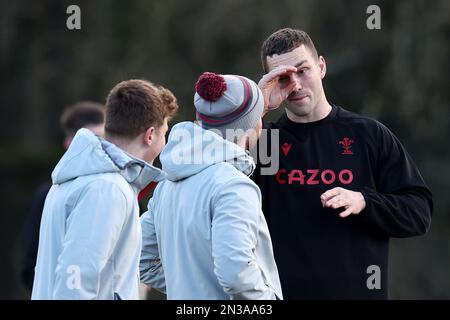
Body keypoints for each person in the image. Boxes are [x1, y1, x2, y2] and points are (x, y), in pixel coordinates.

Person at [253, 28, 433, 299]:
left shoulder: (368, 135)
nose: (296, 85)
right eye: (283, 78)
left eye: (303, 71)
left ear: (321, 66)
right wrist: (258, 109)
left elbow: (419, 213)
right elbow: (214, 188)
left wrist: (365, 201)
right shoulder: (264, 142)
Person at [140, 72, 282, 299]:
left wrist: (191, 289)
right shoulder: (234, 186)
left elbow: (140, 258)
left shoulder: (167, 184)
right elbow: (236, 274)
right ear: (253, 123)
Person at [31, 79, 178, 299]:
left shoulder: (78, 178)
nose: (164, 143)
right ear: (150, 135)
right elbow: (76, 281)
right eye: (164, 133)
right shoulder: (107, 189)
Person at [21, 101, 105, 292]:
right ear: (69, 144)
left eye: (104, 138)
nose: (100, 146)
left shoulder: (121, 190)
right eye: (93, 138)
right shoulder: (48, 195)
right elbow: (29, 265)